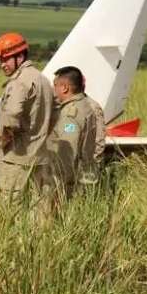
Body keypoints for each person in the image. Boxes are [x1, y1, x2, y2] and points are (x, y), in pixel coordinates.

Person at [0, 32, 55, 206]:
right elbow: (54, 116)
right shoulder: (43, 80)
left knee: (8, 214)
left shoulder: (19, 82)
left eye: (6, 59)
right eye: (0, 60)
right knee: (37, 215)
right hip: (40, 159)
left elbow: (11, 118)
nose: (2, 65)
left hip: (16, 160)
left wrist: (1, 146)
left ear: (19, 56)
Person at [48, 66, 98, 199]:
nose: (54, 90)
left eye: (55, 86)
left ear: (64, 88)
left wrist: (58, 183)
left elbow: (67, 153)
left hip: (71, 184)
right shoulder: (86, 106)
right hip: (86, 176)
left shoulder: (70, 115)